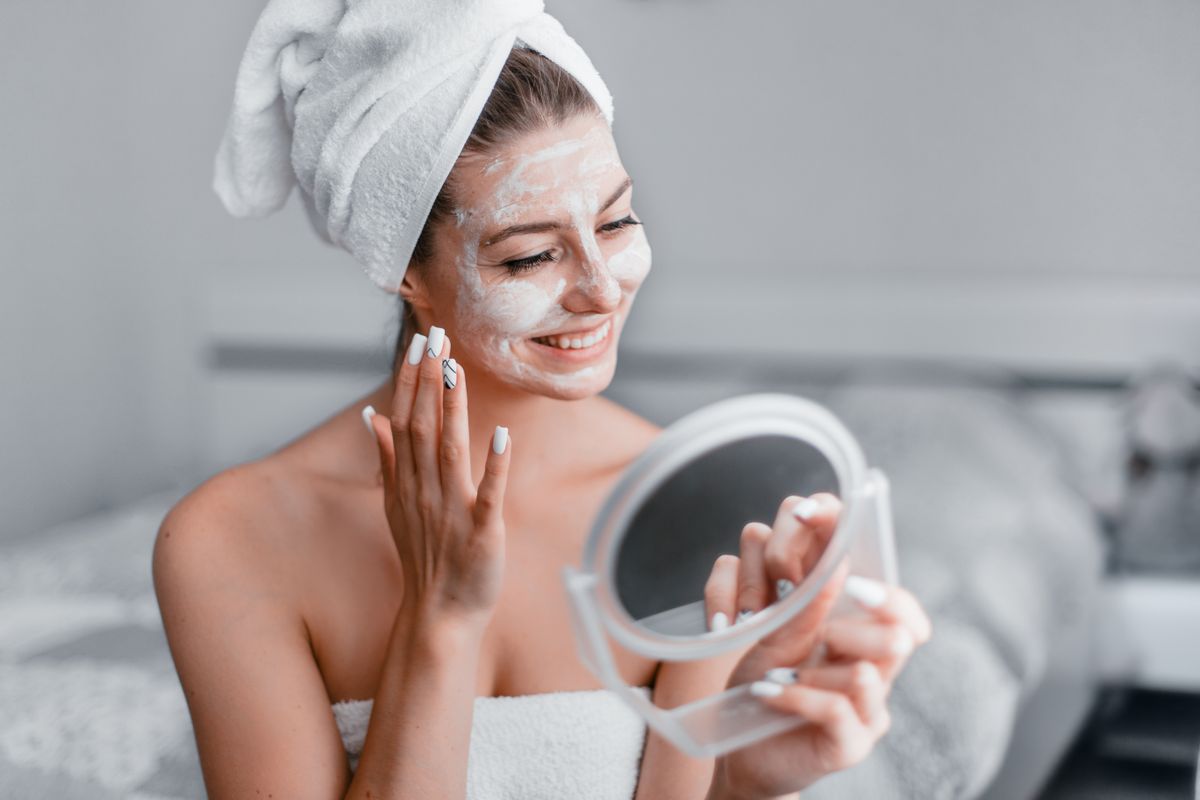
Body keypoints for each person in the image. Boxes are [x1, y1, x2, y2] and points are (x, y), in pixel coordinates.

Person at [153, 18, 931, 800]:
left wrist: (745, 782)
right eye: (530, 255)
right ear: (402, 271)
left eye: (617, 221)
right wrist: (439, 618)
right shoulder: (229, 540)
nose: (601, 290)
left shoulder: (689, 502)